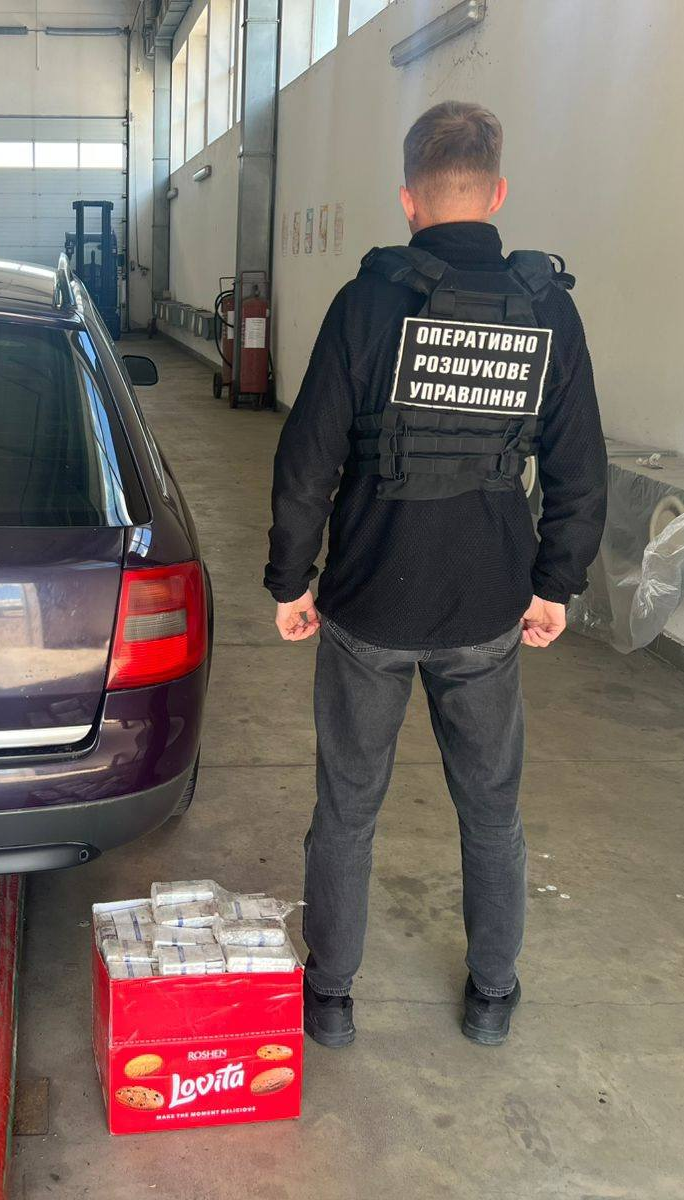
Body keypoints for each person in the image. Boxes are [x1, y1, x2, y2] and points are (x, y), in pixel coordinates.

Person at [265, 101, 607, 1050]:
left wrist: (291, 580)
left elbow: (305, 463)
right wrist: (555, 584)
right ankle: (492, 997)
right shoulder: (546, 307)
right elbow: (581, 467)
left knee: (347, 810)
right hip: (489, 604)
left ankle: (331, 999)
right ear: (497, 194)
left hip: (369, 602)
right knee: (491, 812)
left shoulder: (366, 303)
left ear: (408, 200)